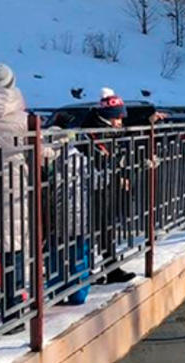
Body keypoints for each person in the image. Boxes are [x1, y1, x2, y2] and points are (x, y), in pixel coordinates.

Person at [0, 63, 29, 332]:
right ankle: (13, 312)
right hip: (11, 194)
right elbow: (44, 149)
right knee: (12, 251)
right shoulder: (22, 119)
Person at [80, 88, 137, 284]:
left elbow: (115, 158)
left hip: (105, 186)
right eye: (118, 118)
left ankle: (107, 268)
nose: (121, 123)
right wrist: (116, 177)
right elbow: (98, 161)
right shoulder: (92, 132)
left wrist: (123, 175)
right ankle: (95, 270)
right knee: (96, 229)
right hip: (92, 188)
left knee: (106, 228)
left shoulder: (105, 131)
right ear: (108, 117)